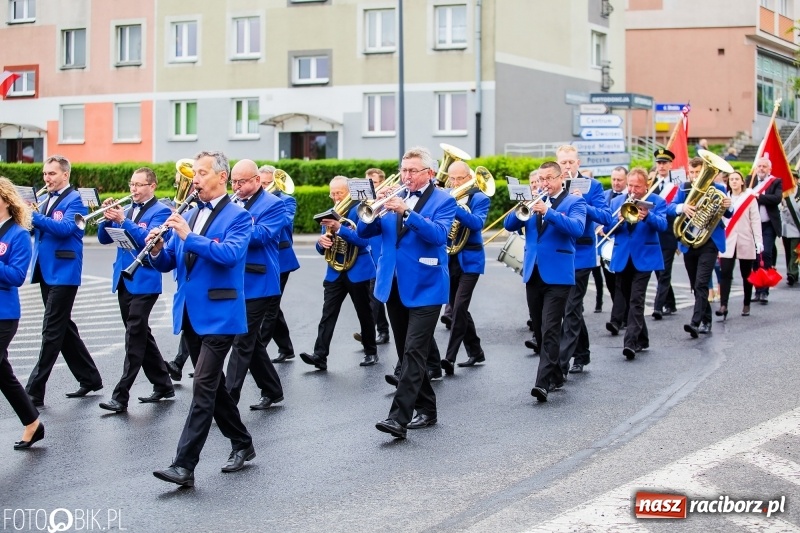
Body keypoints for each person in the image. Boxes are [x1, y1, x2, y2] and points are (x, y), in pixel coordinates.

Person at [149, 151, 255, 487]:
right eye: (194, 173)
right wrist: (155, 251)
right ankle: (243, 443)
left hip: (222, 312)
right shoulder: (190, 212)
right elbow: (174, 262)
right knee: (215, 388)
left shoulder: (239, 216)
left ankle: (184, 465)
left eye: (202, 172)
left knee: (203, 385)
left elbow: (229, 255)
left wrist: (187, 235)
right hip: (191, 312)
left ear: (221, 177)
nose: (195, 179)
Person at [357, 146, 456, 438]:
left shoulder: (444, 200)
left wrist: (408, 212)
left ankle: (398, 419)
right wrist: (373, 210)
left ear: (429, 173)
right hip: (393, 282)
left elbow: (438, 235)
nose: (406, 176)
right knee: (406, 351)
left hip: (427, 283)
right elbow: (364, 235)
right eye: (403, 170)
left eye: (413, 171)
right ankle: (428, 409)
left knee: (413, 352)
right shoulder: (392, 198)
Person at [504, 161, 586, 402]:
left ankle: (543, 382)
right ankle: (557, 373)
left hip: (559, 274)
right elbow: (509, 225)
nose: (544, 183)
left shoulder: (574, 202)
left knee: (551, 327)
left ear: (561, 178)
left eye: (549, 178)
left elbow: (577, 229)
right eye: (541, 179)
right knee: (540, 328)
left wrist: (548, 212)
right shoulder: (532, 202)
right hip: (533, 271)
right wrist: (521, 206)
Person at [25, 155, 103, 407]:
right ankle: (90, 378)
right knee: (63, 328)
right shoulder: (46, 199)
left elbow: (65, 229)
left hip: (65, 271)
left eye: (52, 174)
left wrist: (33, 216)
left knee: (51, 329)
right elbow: (37, 230)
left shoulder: (76, 199)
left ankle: (34, 390)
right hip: (46, 269)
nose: (47, 178)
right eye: (45, 174)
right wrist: (25, 218)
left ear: (65, 175)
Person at [96, 168, 175, 413]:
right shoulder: (128, 208)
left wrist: (123, 220)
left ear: (152, 186)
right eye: (132, 184)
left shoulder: (161, 210)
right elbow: (103, 239)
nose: (134, 189)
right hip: (124, 279)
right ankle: (163, 384)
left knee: (134, 337)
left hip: (145, 282)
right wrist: (109, 218)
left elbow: (149, 240)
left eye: (139, 185)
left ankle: (121, 396)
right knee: (140, 334)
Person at [224, 159, 286, 411]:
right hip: (234, 278)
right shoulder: (231, 202)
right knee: (252, 342)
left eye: (242, 181)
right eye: (234, 182)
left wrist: (234, 223)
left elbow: (262, 236)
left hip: (259, 280)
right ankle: (272, 389)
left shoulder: (274, 204)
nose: (236, 186)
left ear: (257, 180)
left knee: (242, 339)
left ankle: (227, 400)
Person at [300, 176, 378, 370]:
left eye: (339, 193)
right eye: (332, 193)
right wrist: (321, 243)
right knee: (328, 314)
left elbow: (363, 241)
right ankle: (320, 355)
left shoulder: (360, 210)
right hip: (335, 271)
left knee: (364, 313)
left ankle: (371, 351)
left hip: (358, 269)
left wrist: (340, 229)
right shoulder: (329, 214)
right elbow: (322, 247)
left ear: (349, 192)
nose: (335, 198)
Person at [554, 145, 611, 376]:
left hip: (582, 253)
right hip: (558, 253)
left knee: (571, 306)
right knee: (570, 308)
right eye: (563, 163)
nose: (567, 166)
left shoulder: (593, 186)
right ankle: (583, 352)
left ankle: (562, 364)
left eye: (571, 162)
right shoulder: (553, 186)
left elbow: (606, 216)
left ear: (578, 163)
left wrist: (583, 204)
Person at [0, 178, 44, 449]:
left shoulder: (17, 234)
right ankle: (32, 423)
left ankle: (32, 423)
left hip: (3, 316)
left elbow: (17, 276)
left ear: (4, 200)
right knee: (3, 374)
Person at [604, 168, 667, 359]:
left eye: (637, 186)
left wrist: (648, 216)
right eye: (630, 185)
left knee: (636, 300)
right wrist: (618, 221)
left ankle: (630, 343)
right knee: (628, 296)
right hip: (623, 256)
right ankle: (643, 338)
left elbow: (663, 226)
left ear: (646, 185)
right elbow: (607, 228)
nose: (632, 190)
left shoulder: (656, 201)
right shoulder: (616, 201)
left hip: (644, 257)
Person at [669, 161, 733, 337]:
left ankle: (695, 322)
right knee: (695, 285)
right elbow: (669, 208)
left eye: (698, 172)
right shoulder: (683, 188)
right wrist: (682, 207)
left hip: (709, 241)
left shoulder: (718, 188)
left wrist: (729, 204)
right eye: (692, 172)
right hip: (689, 241)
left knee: (701, 283)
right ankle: (706, 320)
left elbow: (728, 213)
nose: (695, 175)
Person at [439, 161, 489, 375]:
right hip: (449, 258)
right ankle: (476, 351)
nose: (456, 182)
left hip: (470, 259)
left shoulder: (480, 197)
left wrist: (455, 208)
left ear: (469, 178)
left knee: (458, 308)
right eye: (453, 178)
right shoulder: (446, 194)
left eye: (461, 178)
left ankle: (449, 358)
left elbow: (477, 224)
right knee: (459, 307)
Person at [260, 165, 299, 362]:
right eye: (262, 183)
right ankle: (286, 347)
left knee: (270, 306)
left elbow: (283, 222)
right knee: (272, 304)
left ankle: (256, 351)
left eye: (268, 183)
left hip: (281, 260)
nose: (265, 187)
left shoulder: (286, 200)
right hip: (262, 259)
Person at [354, 168, 391, 345]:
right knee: (374, 293)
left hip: (380, 252)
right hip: (369, 253)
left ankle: (369, 331)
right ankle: (382, 331)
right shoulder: (364, 202)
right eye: (367, 183)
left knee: (375, 294)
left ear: (382, 182)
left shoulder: (386, 199)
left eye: (373, 183)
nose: (370, 186)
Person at [718, 171, 762, 318]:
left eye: (737, 179)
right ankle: (723, 305)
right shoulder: (724, 198)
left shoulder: (750, 199)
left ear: (742, 182)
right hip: (728, 239)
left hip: (745, 239)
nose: (734, 182)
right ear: (728, 182)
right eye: (731, 179)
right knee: (725, 273)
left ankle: (746, 304)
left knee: (746, 274)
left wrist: (758, 241)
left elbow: (755, 220)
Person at [651, 150, 680, 320]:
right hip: (653, 234)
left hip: (669, 233)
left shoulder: (677, 184)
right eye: (659, 163)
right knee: (658, 270)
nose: (661, 166)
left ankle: (658, 306)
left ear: (670, 165)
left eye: (664, 163)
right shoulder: (651, 183)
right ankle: (671, 302)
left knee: (664, 271)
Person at [750, 157, 783, 304]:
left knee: (766, 253)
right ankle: (757, 289)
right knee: (755, 257)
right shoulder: (750, 181)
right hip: (752, 226)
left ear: (769, 169)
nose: (761, 169)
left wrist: (758, 197)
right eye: (759, 166)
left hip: (768, 225)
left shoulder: (775, 182)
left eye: (764, 166)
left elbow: (776, 198)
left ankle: (765, 290)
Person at [598, 166, 628, 305]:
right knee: (610, 283)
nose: (616, 183)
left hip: (622, 244)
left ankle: (622, 315)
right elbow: (595, 214)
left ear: (626, 180)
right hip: (606, 245)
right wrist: (597, 226)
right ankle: (619, 312)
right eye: (614, 179)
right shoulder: (604, 195)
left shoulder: (630, 197)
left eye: (620, 180)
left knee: (622, 283)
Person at [780, 184, 800, 287]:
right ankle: (792, 272)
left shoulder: (798, 193)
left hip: (797, 228)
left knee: (794, 252)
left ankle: (792, 273)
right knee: (788, 252)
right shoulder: (783, 192)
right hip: (785, 229)